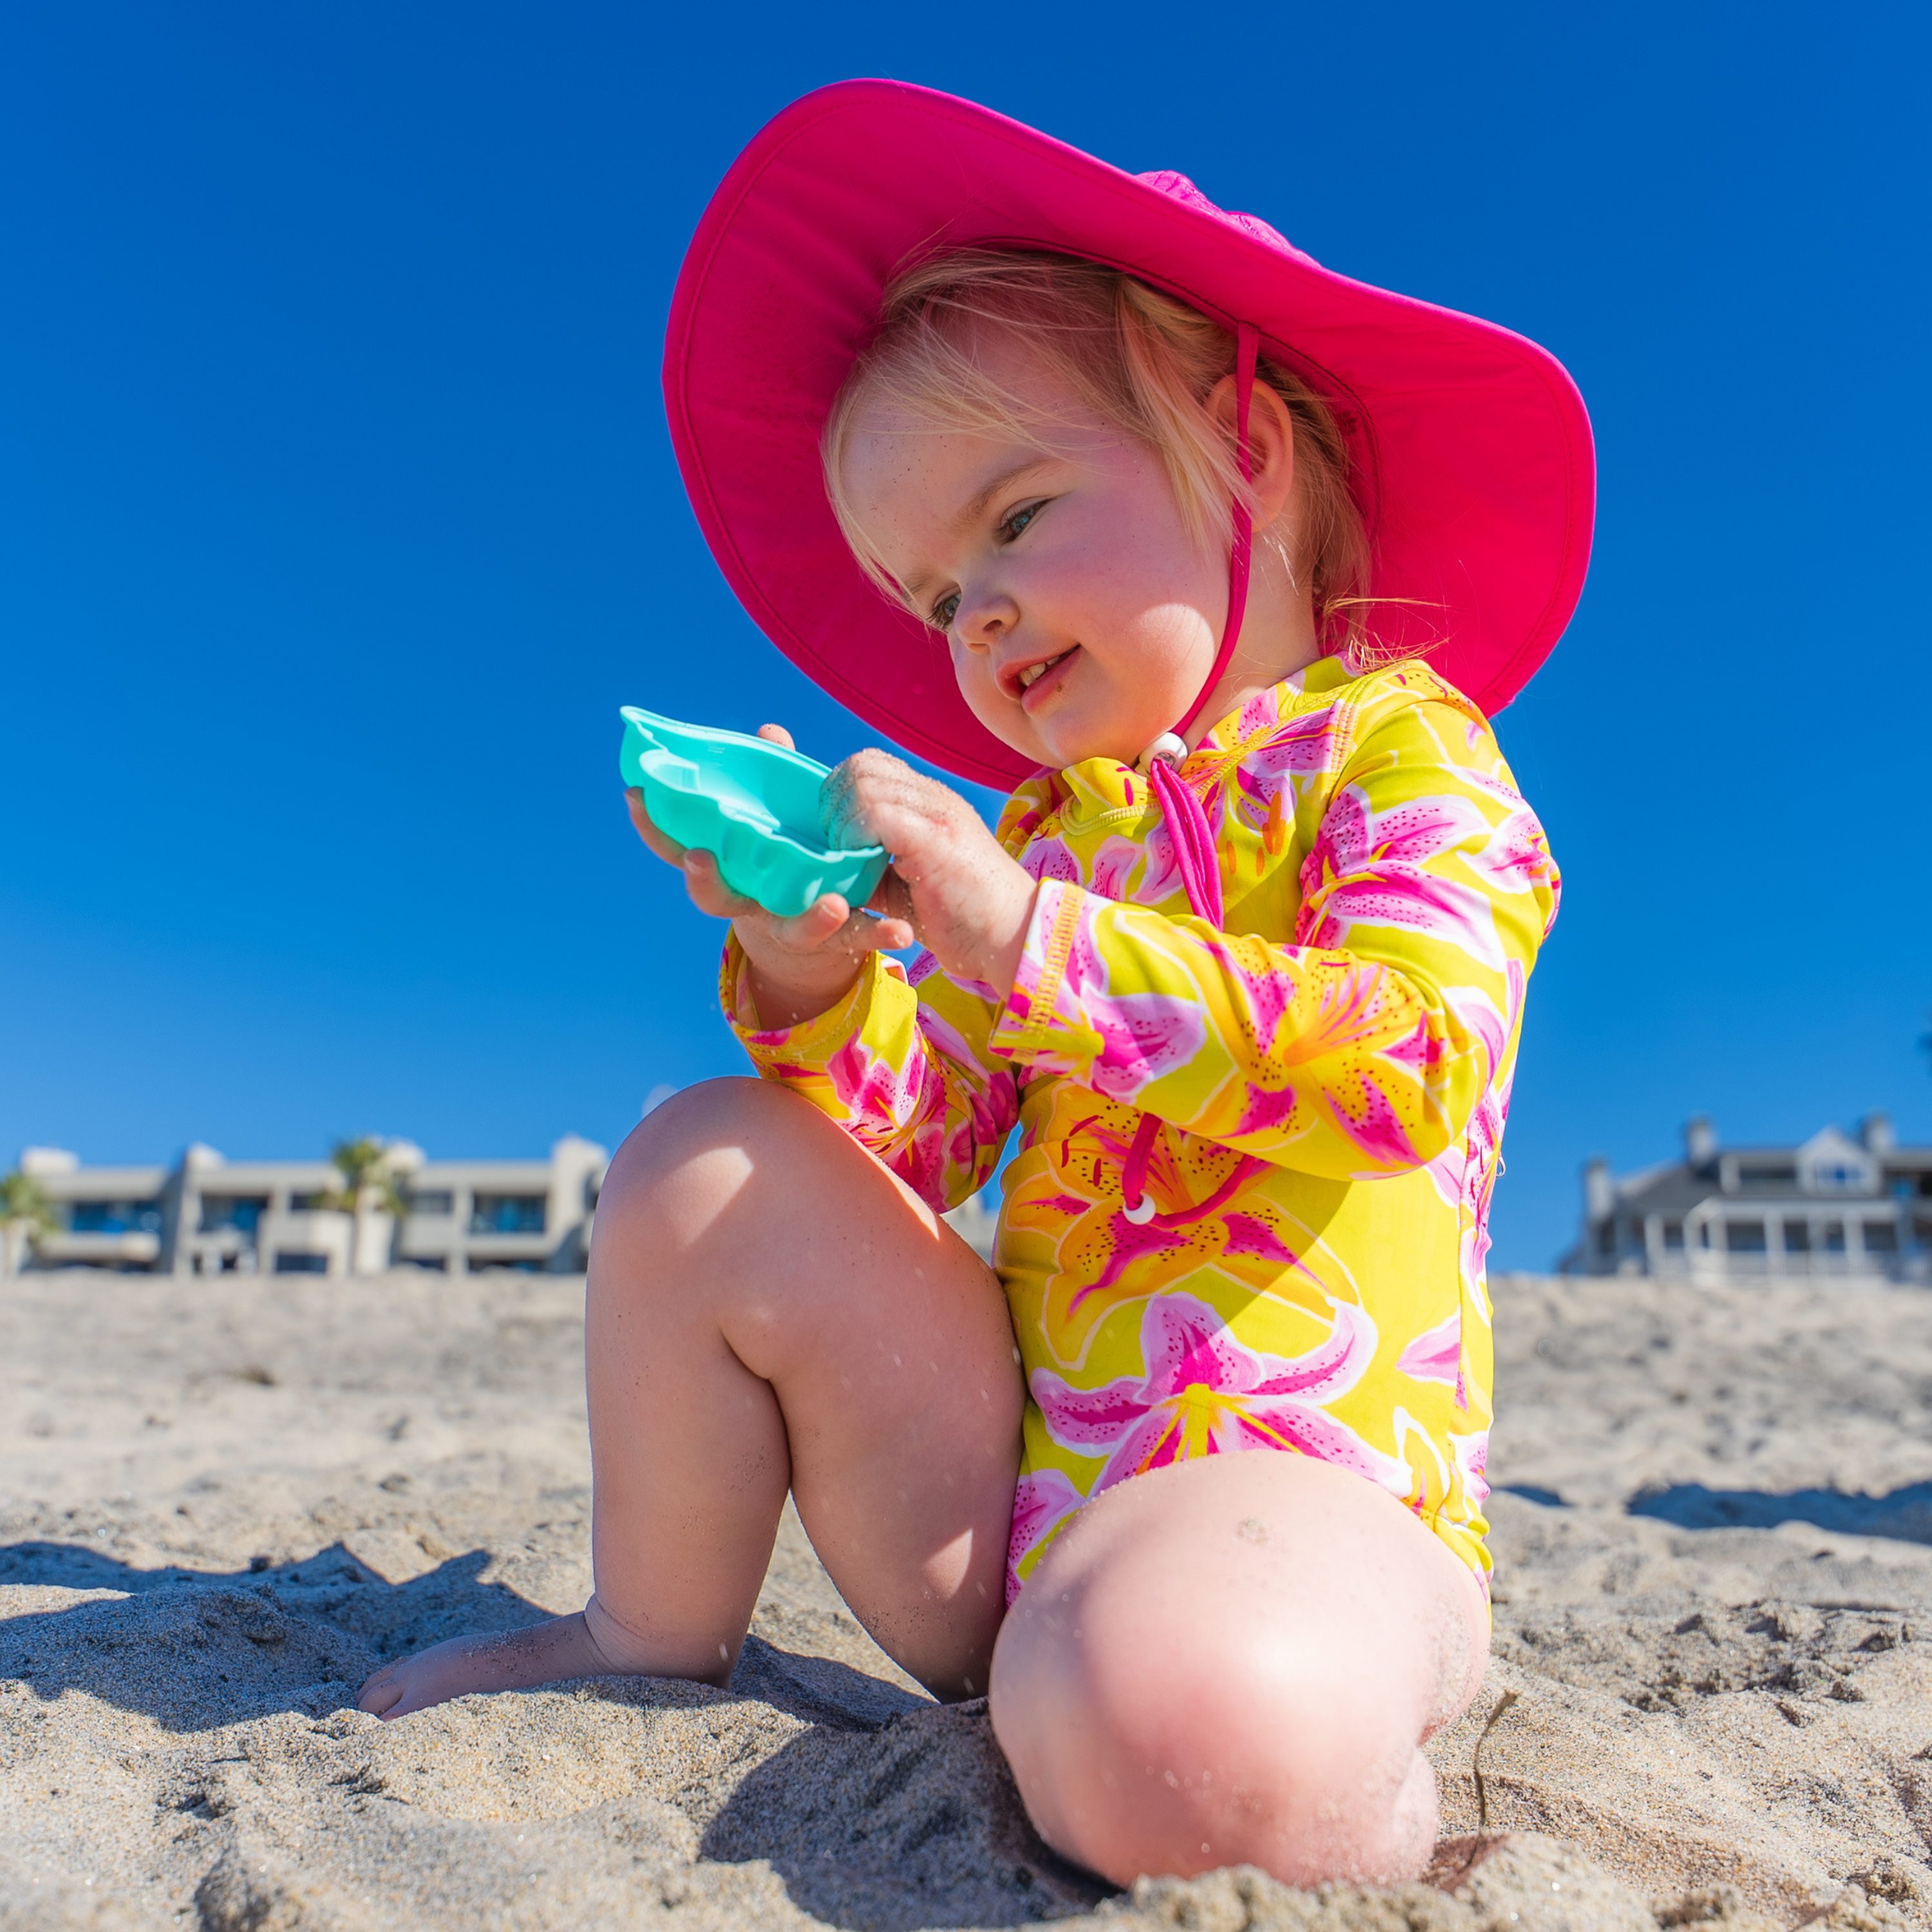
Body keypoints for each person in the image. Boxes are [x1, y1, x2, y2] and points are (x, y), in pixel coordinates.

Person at [359, 80, 1589, 1889]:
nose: (979, 621)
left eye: (1014, 521)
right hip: (1008, 1514)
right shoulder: (1054, 835)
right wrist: (814, 963)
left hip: (1313, 1503)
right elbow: (926, 1148)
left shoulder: (1405, 760)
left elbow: (1403, 1059)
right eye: (935, 598)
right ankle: (653, 1627)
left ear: (1241, 443)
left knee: (1185, 1732)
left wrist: (1024, 936)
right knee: (704, 1161)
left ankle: (1353, 1783)